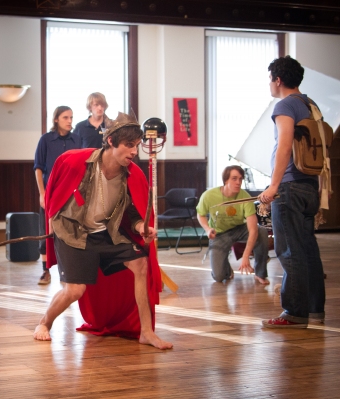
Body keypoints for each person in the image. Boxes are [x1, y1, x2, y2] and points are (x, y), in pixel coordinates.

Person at [33, 112, 173, 349]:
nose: (133, 152)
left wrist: (142, 227)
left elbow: (133, 215)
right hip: (72, 231)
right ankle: (44, 323)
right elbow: (56, 186)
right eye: (129, 145)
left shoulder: (132, 174)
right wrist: (52, 217)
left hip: (105, 233)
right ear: (111, 142)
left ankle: (146, 332)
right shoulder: (76, 162)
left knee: (140, 264)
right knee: (75, 290)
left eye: (136, 146)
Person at [259, 56, 326, 328]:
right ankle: (314, 309)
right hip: (310, 185)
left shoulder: (285, 105)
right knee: (308, 249)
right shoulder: (310, 105)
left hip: (289, 186)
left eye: (270, 79)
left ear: (278, 80)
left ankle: (295, 313)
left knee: (289, 251)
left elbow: (285, 146)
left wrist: (274, 186)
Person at [196, 165, 270, 284]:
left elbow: (253, 229)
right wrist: (207, 229)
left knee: (261, 231)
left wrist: (246, 256)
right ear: (225, 180)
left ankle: (260, 273)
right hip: (219, 233)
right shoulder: (208, 195)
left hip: (239, 229)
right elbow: (201, 214)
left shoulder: (245, 197)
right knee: (219, 277)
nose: (238, 182)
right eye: (234, 179)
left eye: (240, 179)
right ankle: (226, 269)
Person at [34, 106, 82, 284]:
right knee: (46, 231)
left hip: (71, 193)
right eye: (65, 117)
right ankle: (45, 271)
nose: (70, 121)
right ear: (56, 120)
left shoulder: (76, 139)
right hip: (50, 192)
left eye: (71, 117)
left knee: (68, 232)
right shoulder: (45, 140)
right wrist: (42, 193)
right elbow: (38, 167)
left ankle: (66, 270)